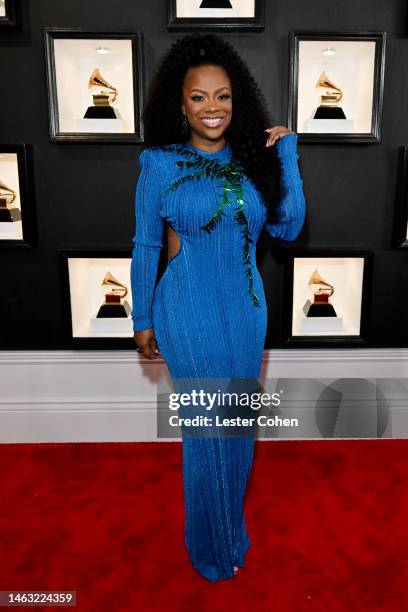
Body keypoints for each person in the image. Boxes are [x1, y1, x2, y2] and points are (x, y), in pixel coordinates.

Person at [130, 33, 306, 582]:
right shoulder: (159, 163)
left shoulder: (256, 159)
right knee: (207, 429)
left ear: (238, 101)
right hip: (185, 310)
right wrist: (142, 320)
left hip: (247, 311)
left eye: (223, 96)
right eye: (200, 97)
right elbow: (146, 245)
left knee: (237, 426)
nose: (213, 108)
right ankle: (210, 545)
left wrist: (290, 156)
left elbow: (288, 224)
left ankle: (230, 530)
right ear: (180, 105)